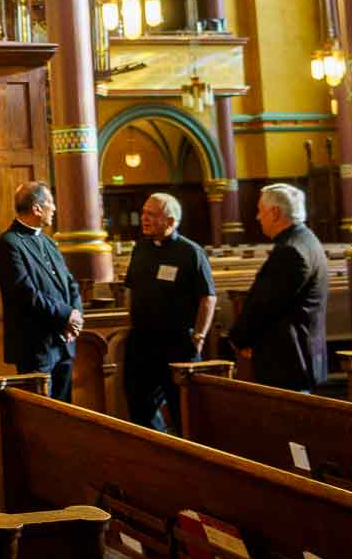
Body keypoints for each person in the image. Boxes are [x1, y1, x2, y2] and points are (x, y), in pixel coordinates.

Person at [121, 192, 216, 431]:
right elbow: (130, 288)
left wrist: (199, 337)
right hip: (142, 342)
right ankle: (157, 450)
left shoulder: (191, 252)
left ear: (171, 221)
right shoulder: (140, 248)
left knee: (182, 409)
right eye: (144, 213)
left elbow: (208, 297)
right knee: (139, 404)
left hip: (177, 343)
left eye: (151, 214)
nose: (144, 218)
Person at [229, 183, 328, 391]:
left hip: (288, 359)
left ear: (275, 212)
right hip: (297, 354)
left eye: (260, 211)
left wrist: (240, 338)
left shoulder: (291, 251)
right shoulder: (306, 240)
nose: (258, 217)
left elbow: (266, 304)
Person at [0, 181, 82, 401]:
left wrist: (75, 317)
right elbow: (24, 293)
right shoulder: (9, 243)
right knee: (41, 414)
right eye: (51, 203)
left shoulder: (49, 242)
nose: (55, 208)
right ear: (37, 208)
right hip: (35, 345)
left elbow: (70, 284)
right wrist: (66, 315)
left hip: (64, 340)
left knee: (65, 414)